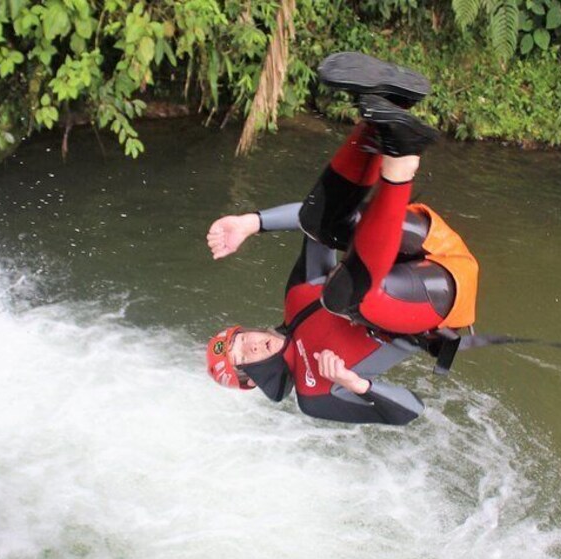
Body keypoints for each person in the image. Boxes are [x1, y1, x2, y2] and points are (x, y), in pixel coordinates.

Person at [205, 52, 479, 425]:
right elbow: (412, 410)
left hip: (423, 240)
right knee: (339, 295)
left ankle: (389, 103)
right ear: (251, 380)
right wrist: (355, 383)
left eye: (241, 340)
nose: (250, 346)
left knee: (320, 224)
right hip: (438, 293)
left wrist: (251, 223)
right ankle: (401, 159)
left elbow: (310, 225)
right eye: (243, 359)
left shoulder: (296, 300)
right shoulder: (315, 397)